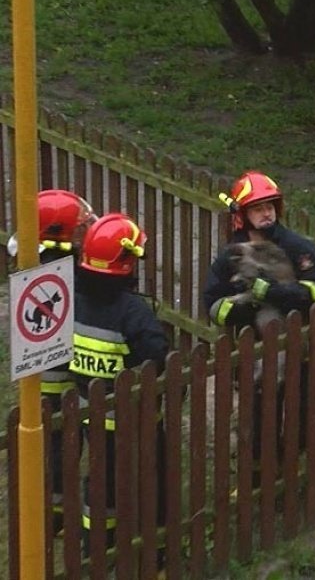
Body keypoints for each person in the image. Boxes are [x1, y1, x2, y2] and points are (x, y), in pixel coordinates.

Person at [203, 171, 315, 468]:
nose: (267, 213)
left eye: (270, 206)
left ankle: (293, 462)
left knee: (314, 415)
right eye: (258, 208)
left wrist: (277, 292)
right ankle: (260, 476)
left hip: (305, 351)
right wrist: (248, 303)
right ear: (242, 214)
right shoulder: (231, 257)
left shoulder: (299, 248)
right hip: (258, 354)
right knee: (260, 422)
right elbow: (213, 306)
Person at [68, 213, 168, 566]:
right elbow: (156, 357)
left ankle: (96, 547)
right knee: (152, 479)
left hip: (90, 417)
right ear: (125, 263)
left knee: (99, 483)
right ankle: (155, 553)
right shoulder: (133, 312)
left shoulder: (72, 300)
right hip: (136, 420)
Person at [7, 189, 97, 534]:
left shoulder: (39, 258)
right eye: (80, 228)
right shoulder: (59, 272)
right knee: (59, 445)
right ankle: (54, 509)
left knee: (58, 444)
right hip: (56, 374)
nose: (86, 232)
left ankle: (53, 506)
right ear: (60, 236)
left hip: (48, 371)